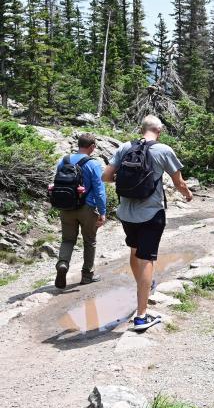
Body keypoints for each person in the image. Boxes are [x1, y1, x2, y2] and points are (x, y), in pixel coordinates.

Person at [102, 116, 192, 333]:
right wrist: (187, 194)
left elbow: (106, 176)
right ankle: (141, 316)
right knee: (147, 259)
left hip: (125, 212)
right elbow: (178, 181)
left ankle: (144, 285)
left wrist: (128, 182)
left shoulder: (125, 147)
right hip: (151, 213)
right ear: (159, 130)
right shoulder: (163, 150)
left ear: (141, 129)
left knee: (134, 251)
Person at [52, 133, 107, 289]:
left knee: (67, 240)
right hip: (87, 209)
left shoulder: (64, 161)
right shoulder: (93, 164)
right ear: (92, 147)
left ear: (79, 144)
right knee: (89, 241)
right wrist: (103, 212)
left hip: (66, 207)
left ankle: (62, 264)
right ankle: (87, 275)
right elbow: (100, 191)